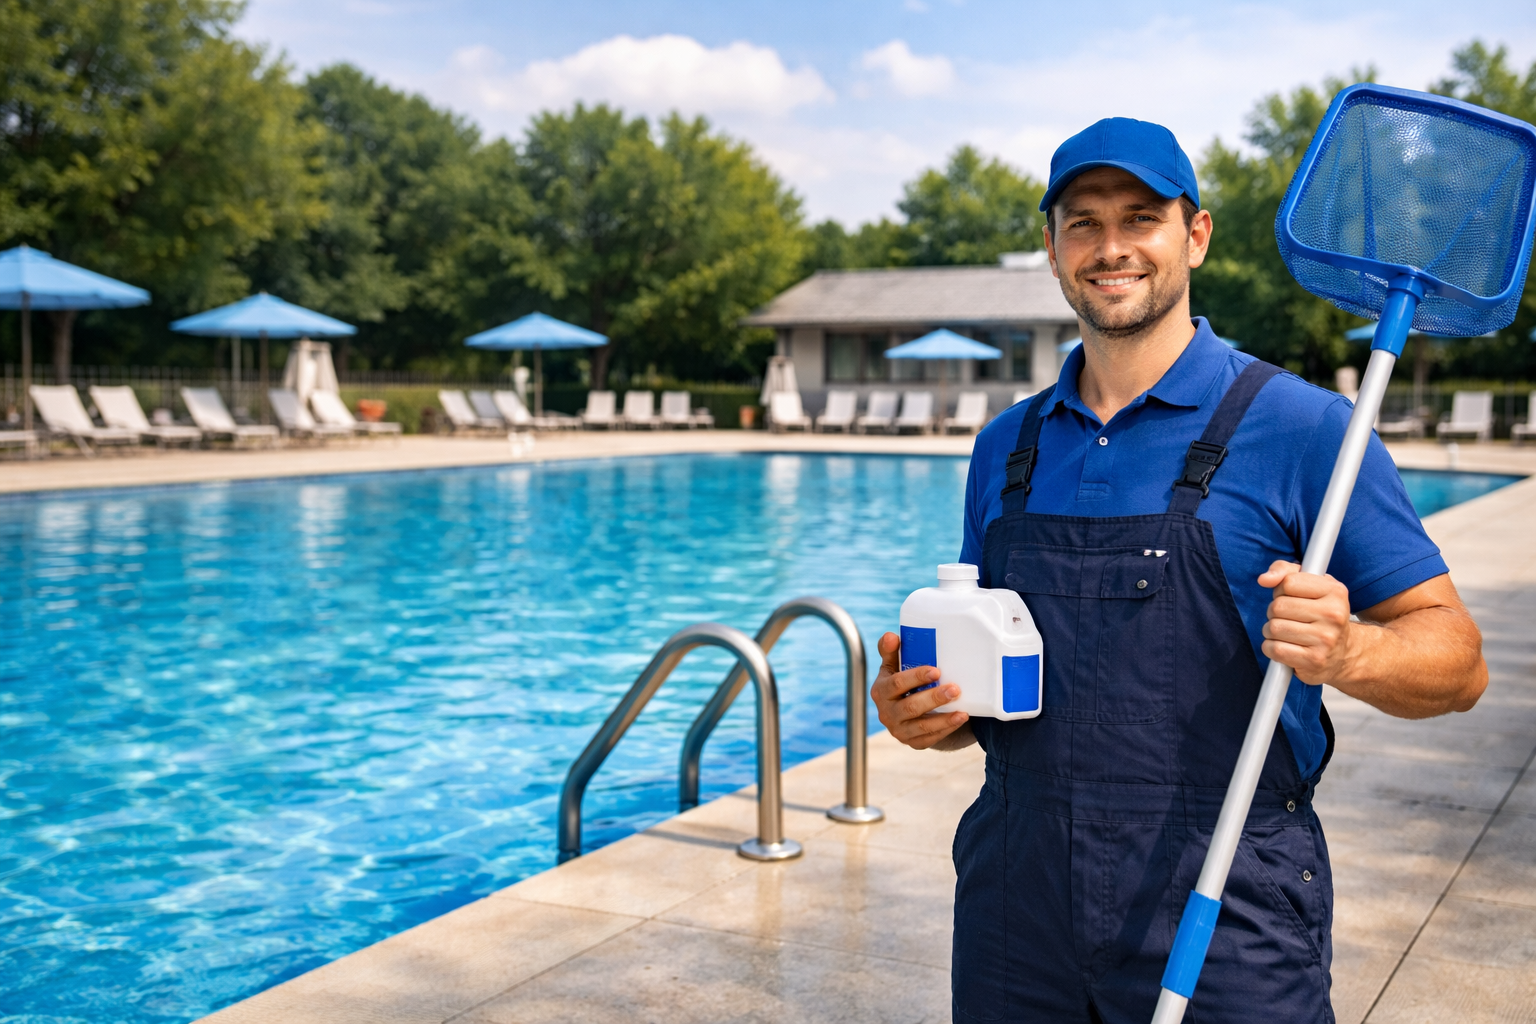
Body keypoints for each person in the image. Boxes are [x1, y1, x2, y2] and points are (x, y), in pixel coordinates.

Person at [871, 117, 1487, 1023]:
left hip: (1225, 910)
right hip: (1016, 911)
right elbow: (989, 705)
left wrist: (1351, 651)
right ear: (1050, 247)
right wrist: (926, 713)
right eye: (1082, 222)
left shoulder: (1308, 431)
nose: (1111, 246)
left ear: (1194, 236)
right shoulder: (1007, 446)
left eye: (1141, 217)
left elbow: (1460, 662)